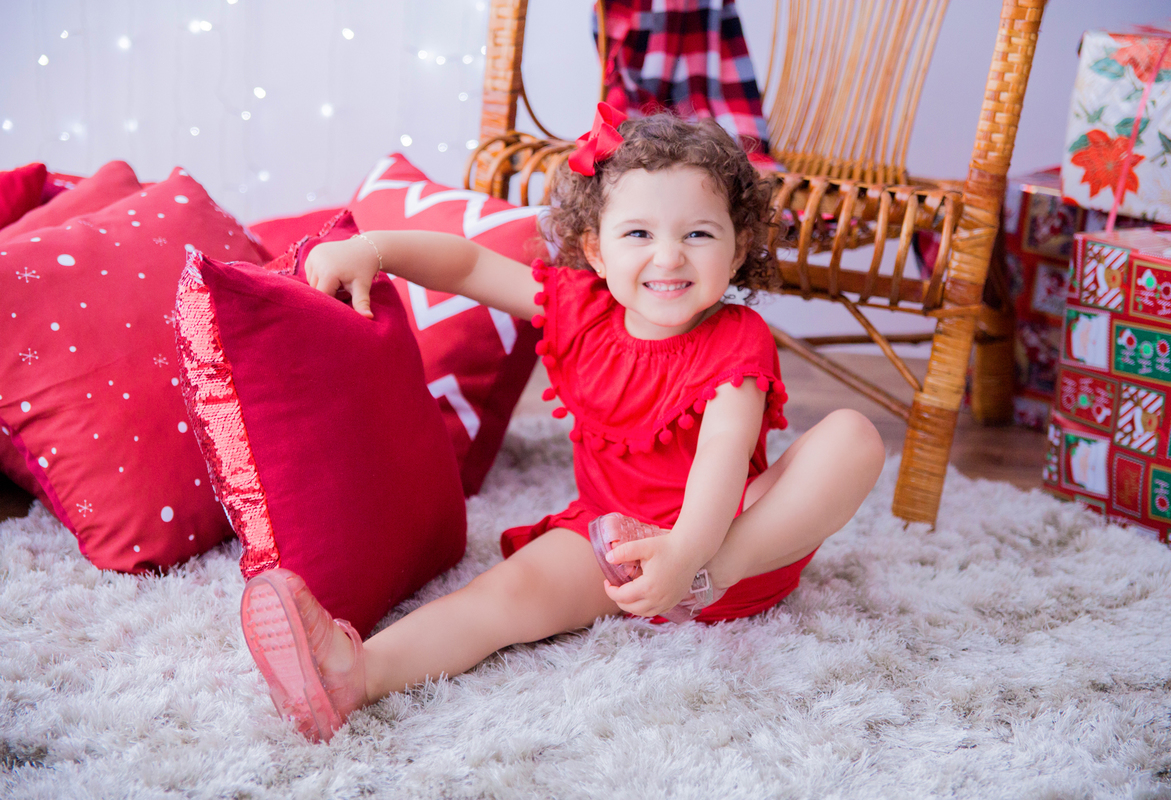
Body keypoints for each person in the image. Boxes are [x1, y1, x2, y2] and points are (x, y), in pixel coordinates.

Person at [239, 104, 886, 743]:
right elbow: (466, 265)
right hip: (612, 543)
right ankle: (357, 672)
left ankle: (699, 579)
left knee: (851, 437)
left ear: (738, 247)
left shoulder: (738, 338)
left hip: (733, 545)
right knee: (502, 599)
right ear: (594, 250)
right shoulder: (580, 309)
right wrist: (373, 249)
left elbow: (722, 449)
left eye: (698, 235)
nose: (669, 257)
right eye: (639, 234)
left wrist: (690, 554)